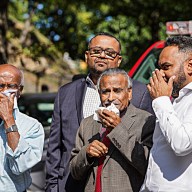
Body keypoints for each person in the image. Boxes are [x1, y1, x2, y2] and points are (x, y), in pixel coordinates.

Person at [45, 32, 154, 192]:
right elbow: (55, 146)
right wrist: (52, 187)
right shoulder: (66, 93)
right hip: (70, 184)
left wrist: (118, 128)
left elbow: (146, 156)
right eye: (96, 51)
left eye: (109, 53)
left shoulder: (141, 92)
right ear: (87, 56)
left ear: (119, 59)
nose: (102, 56)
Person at [70, 68, 155, 192]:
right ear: (99, 94)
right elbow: (74, 171)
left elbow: (147, 166)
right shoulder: (88, 123)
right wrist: (86, 153)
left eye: (117, 91)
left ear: (129, 93)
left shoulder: (145, 121)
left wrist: (118, 128)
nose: (111, 97)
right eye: (105, 92)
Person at [140, 36, 192, 191]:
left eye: (166, 67)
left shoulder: (164, 101)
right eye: (159, 67)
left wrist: (161, 100)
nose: (160, 74)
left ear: (190, 66)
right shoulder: (173, 100)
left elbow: (182, 144)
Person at [0, 64, 44, 192]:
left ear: (19, 91)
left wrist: (8, 119)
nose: (4, 91)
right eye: (0, 86)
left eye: (11, 86)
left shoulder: (32, 126)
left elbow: (20, 166)